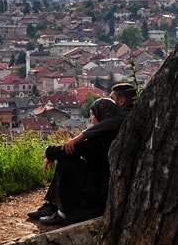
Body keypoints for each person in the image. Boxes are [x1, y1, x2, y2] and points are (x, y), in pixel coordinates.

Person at [28, 97, 125, 226]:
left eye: (92, 114)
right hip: (102, 182)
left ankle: (63, 214)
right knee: (68, 159)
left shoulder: (105, 137)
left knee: (66, 161)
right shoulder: (113, 130)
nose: (90, 119)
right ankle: (54, 205)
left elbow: (74, 150)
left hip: (99, 189)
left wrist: (49, 152)